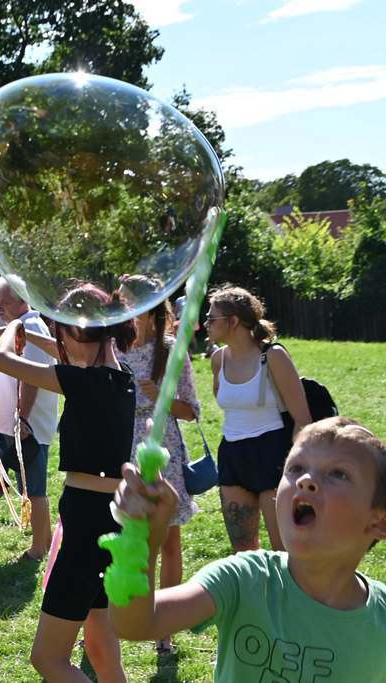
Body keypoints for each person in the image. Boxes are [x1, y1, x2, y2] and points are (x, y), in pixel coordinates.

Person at [110, 417, 386, 682]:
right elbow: (136, 624)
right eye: (296, 468)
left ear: (379, 520)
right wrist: (141, 542)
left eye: (338, 473)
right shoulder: (244, 579)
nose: (306, 480)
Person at [0, 283, 136, 683]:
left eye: (61, 330)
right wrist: (37, 334)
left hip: (87, 523)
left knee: (48, 659)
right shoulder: (121, 377)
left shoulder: (81, 382)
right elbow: (73, 357)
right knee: (102, 649)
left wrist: (14, 326)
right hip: (112, 521)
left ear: (76, 329)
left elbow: (1, 360)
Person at [119, 278, 201, 654]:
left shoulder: (171, 350)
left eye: (130, 303)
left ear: (150, 307)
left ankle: (165, 627)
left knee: (167, 539)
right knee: (127, 534)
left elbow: (191, 410)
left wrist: (159, 397)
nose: (126, 311)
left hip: (161, 443)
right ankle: (124, 614)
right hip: (124, 445)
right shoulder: (117, 348)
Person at [207, 285, 311, 552]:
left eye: (212, 318)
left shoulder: (273, 356)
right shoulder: (218, 359)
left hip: (273, 453)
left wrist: (297, 466)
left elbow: (303, 420)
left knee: (283, 549)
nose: (206, 323)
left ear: (233, 321)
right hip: (232, 452)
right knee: (243, 553)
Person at [0, 278, 59, 563]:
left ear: (21, 300)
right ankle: (47, 539)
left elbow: (32, 376)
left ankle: (38, 549)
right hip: (24, 421)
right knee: (33, 486)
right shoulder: (21, 326)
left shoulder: (31, 326)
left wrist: (23, 418)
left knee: (35, 489)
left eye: (4, 303)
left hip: (31, 424)